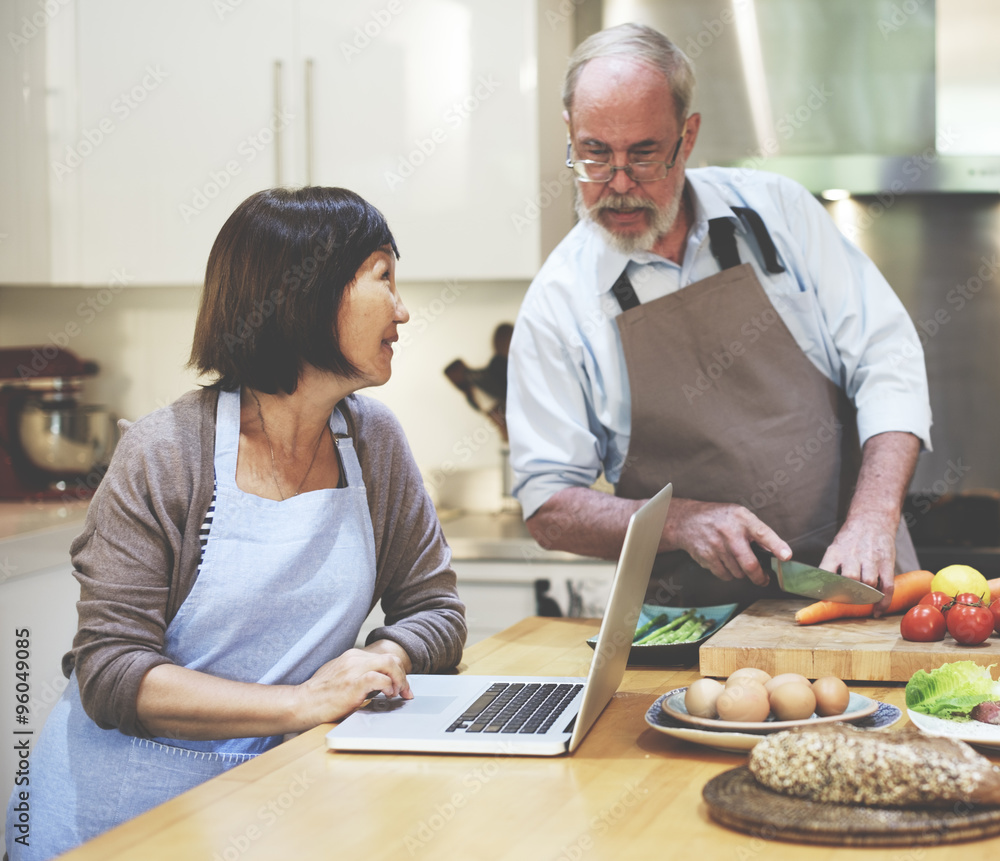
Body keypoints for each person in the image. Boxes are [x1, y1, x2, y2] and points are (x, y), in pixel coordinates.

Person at [5, 187, 467, 861]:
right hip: (115, 824)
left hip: (271, 806)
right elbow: (110, 671)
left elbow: (434, 608)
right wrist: (302, 702)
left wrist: (382, 658)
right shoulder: (164, 454)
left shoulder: (374, 441)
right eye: (383, 276)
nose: (402, 307)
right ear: (306, 293)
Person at [506, 23, 932, 613]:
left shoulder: (776, 215)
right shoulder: (557, 303)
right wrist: (681, 523)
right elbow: (548, 506)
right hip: (690, 629)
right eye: (595, 154)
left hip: (857, 588)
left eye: (645, 154)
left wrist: (872, 520)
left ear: (688, 136)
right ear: (570, 136)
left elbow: (888, 358)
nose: (619, 185)